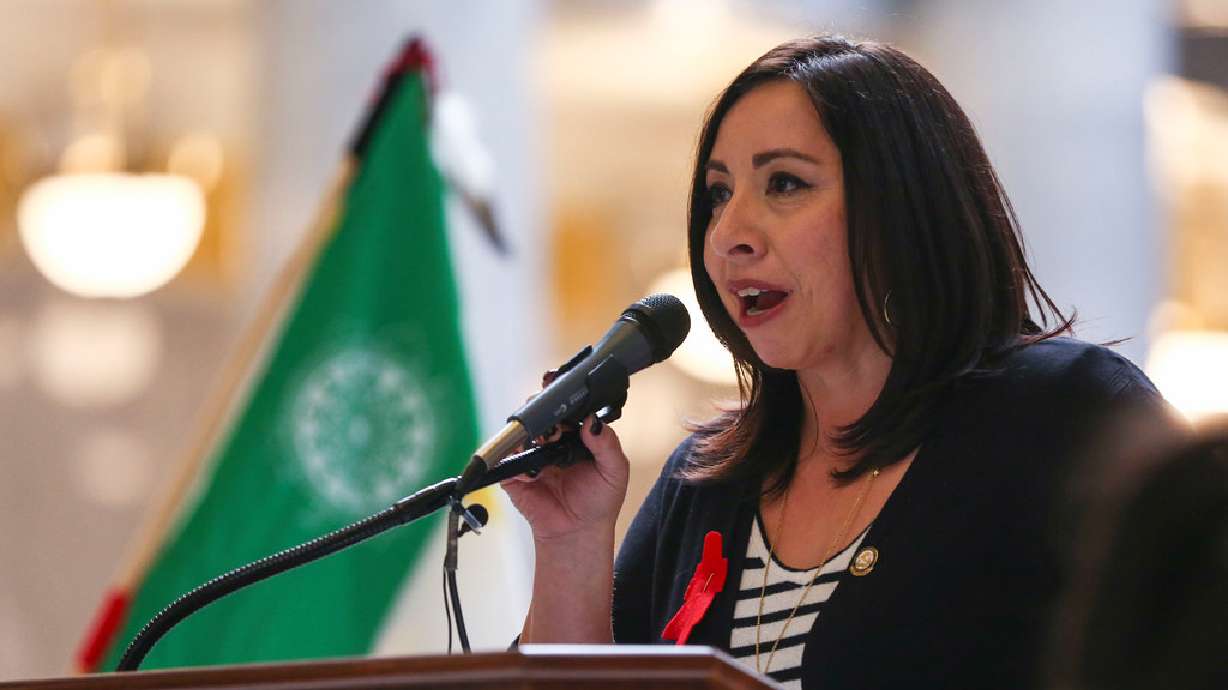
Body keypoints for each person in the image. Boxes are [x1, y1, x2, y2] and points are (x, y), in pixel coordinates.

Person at [502, 35, 1171, 690]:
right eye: (718, 194)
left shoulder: (1067, 414)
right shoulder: (707, 479)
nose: (728, 234)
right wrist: (571, 542)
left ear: (901, 208)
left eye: (785, 183)